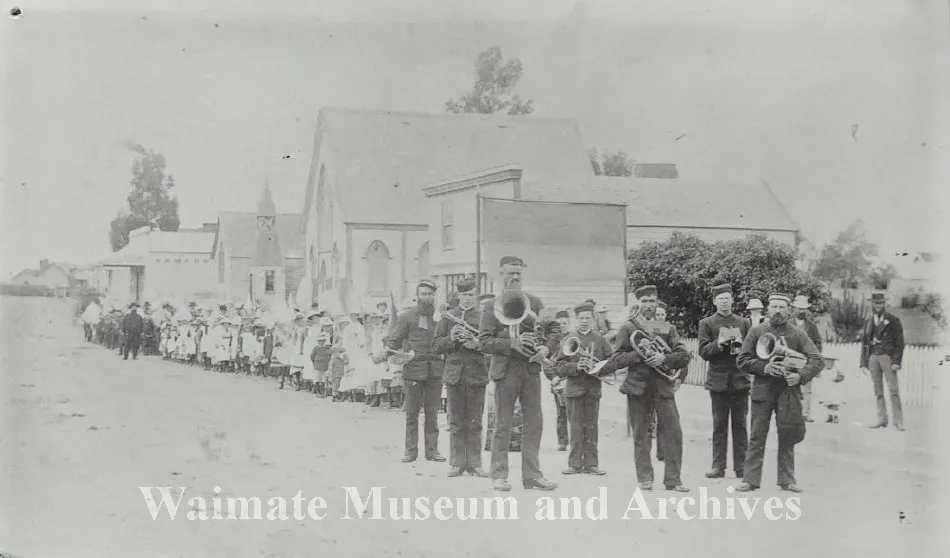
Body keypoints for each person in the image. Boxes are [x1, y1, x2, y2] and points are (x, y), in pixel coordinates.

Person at [478, 256, 557, 492]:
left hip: (530, 369)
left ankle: (532, 476)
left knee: (534, 423)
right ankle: (499, 475)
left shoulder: (534, 301)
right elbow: (484, 342)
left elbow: (554, 328)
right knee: (503, 424)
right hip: (506, 370)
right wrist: (512, 342)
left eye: (518, 274)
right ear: (500, 275)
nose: (514, 277)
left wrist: (546, 347)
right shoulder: (491, 306)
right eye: (510, 273)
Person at [601, 285, 691, 492]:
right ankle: (645, 478)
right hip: (638, 387)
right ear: (638, 303)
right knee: (641, 434)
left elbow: (684, 356)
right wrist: (639, 353)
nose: (649, 305)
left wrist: (664, 358)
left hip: (662, 386)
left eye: (652, 301)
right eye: (645, 301)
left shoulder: (667, 328)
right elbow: (615, 360)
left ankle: (673, 479)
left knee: (673, 433)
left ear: (657, 303)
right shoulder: (628, 327)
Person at [735, 293, 823, 493]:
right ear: (768, 309)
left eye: (782, 307)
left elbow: (817, 360)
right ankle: (750, 480)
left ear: (789, 310)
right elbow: (742, 359)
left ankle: (787, 480)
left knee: (787, 433)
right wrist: (764, 368)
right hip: (762, 389)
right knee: (757, 434)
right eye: (774, 306)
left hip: (788, 390)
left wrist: (800, 376)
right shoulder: (756, 331)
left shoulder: (798, 334)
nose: (777, 311)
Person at [432, 277, 489, 477]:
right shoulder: (448, 317)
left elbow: (492, 347)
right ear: (458, 296)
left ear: (476, 296)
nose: (467, 298)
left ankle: (475, 463)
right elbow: (436, 345)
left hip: (477, 373)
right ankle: (456, 463)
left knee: (475, 421)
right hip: (455, 374)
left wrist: (476, 343)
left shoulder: (484, 317)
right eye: (464, 295)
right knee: (456, 421)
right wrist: (451, 338)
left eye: (471, 295)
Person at [388, 280, 446, 463]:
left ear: (434, 296)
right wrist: (394, 354)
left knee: (432, 413)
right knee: (412, 413)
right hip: (414, 370)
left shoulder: (441, 318)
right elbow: (394, 342)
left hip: (435, 371)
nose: (427, 297)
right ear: (417, 295)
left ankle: (432, 450)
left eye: (430, 294)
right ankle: (410, 451)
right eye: (423, 294)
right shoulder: (407, 317)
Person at [697, 283, 751, 480]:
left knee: (741, 425)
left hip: (740, 381)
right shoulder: (707, 323)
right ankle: (718, 466)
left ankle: (741, 467)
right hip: (718, 382)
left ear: (732, 300)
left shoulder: (744, 322)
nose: (724, 302)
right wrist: (719, 344)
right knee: (719, 426)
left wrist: (740, 345)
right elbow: (703, 352)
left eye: (727, 298)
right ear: (714, 301)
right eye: (720, 299)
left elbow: (750, 351)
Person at [553, 303, 611, 475]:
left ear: (593, 319)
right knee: (576, 427)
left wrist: (598, 367)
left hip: (593, 387)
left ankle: (592, 464)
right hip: (574, 388)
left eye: (588, 318)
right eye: (581, 318)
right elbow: (559, 365)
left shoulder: (600, 340)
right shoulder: (568, 338)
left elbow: (612, 361)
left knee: (592, 426)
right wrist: (577, 366)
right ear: (576, 320)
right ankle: (575, 463)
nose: (585, 321)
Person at [860, 292, 905, 431]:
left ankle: (898, 421)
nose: (878, 305)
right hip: (873, 357)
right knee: (878, 390)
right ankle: (882, 418)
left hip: (887, 357)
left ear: (884, 304)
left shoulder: (893, 320)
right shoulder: (868, 321)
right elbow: (864, 343)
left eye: (880, 303)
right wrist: (863, 362)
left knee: (893, 390)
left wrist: (896, 361)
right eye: (875, 303)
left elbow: (900, 342)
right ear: (872, 304)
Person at [791, 295, 824, 423]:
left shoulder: (811, 326)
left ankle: (805, 414)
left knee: (807, 389)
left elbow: (818, 343)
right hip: (791, 360)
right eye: (799, 308)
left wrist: (813, 358)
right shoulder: (787, 323)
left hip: (806, 361)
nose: (801, 311)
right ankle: (793, 413)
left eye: (803, 309)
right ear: (794, 309)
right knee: (791, 387)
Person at [545, 310, 571, 451]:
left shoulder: (573, 338)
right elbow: (546, 361)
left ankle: (576, 440)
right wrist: (553, 377)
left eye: (565, 323)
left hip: (572, 379)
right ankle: (562, 441)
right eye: (560, 323)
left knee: (575, 413)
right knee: (561, 413)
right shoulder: (553, 341)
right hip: (558, 380)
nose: (563, 326)